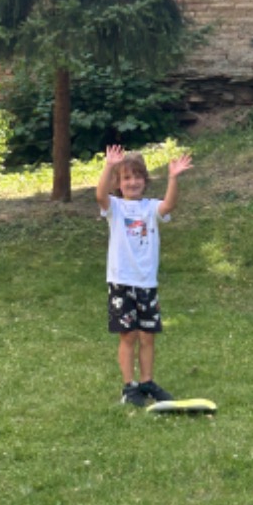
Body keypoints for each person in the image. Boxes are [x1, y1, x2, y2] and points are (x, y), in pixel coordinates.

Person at [96, 145, 192, 406]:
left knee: (148, 336)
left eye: (138, 177)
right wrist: (109, 166)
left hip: (146, 283)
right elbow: (100, 195)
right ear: (118, 183)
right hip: (121, 282)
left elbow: (169, 205)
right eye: (126, 178)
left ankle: (147, 382)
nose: (133, 182)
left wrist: (173, 177)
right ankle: (130, 387)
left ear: (145, 181)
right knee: (128, 336)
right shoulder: (115, 207)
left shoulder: (150, 207)